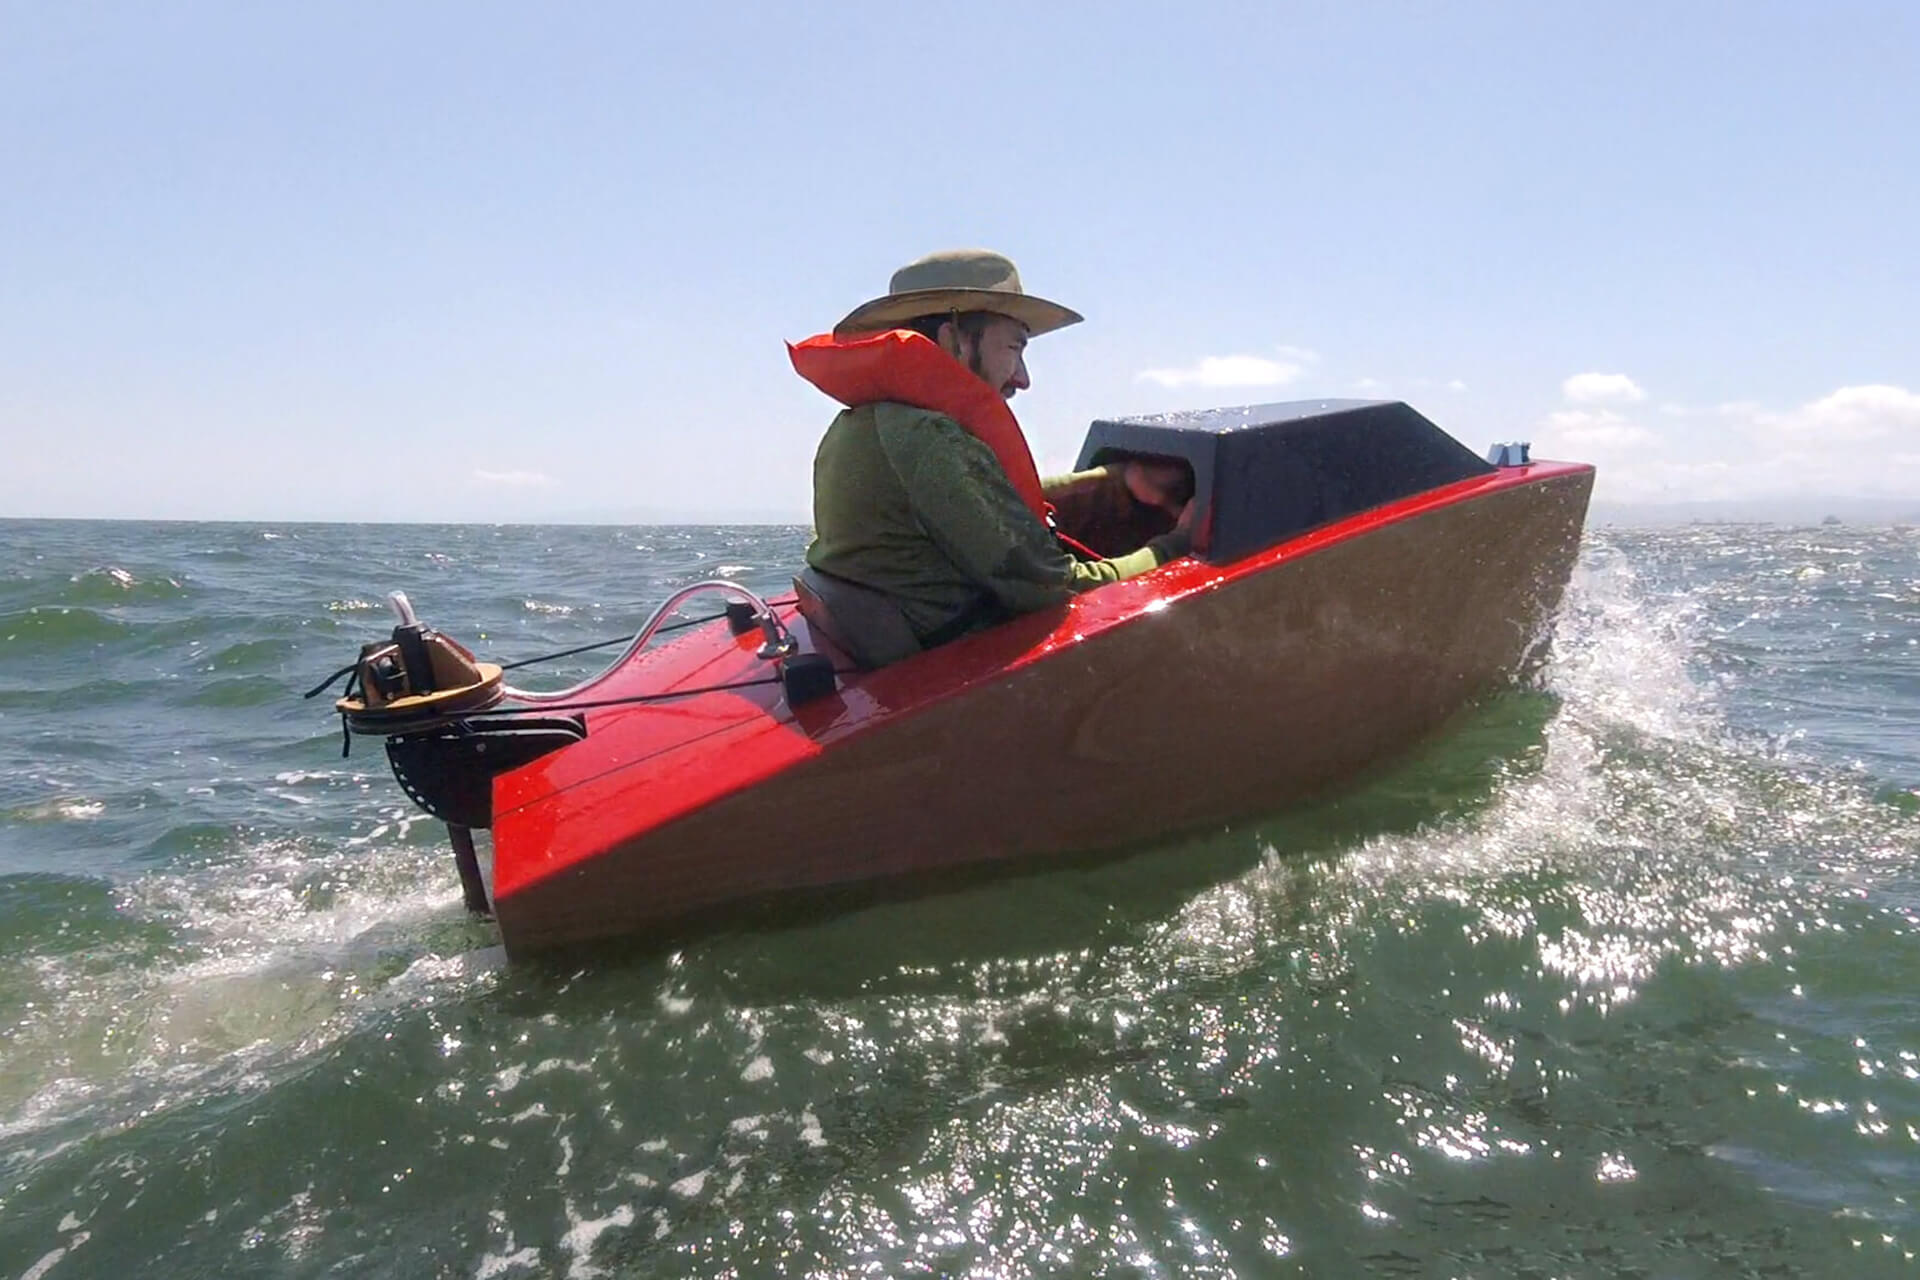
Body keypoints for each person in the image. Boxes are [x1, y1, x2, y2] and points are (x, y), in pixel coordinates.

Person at [791, 249, 1193, 662]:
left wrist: (1110, 482)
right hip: (953, 673)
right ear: (953, 340)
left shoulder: (861, 425)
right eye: (1014, 348)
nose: (1023, 378)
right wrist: (1176, 545)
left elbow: (982, 496)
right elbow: (1055, 591)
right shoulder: (932, 438)